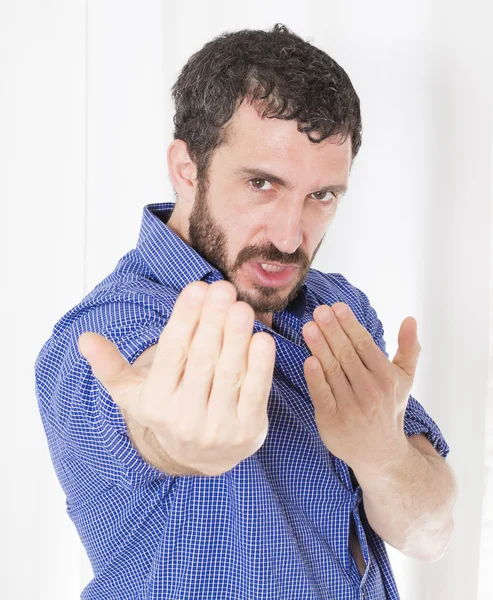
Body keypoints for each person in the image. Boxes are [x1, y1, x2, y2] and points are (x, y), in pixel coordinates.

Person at [34, 23, 458, 600]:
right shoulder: (108, 329)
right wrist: (180, 438)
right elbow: (154, 412)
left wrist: (381, 453)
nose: (290, 236)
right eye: (262, 183)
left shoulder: (338, 309)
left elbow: (432, 532)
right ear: (187, 170)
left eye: (322, 196)